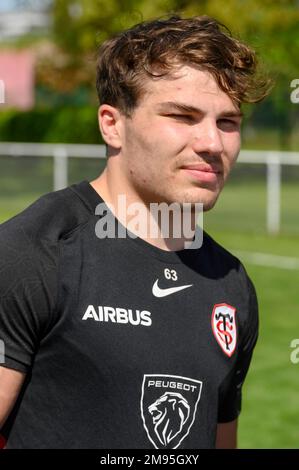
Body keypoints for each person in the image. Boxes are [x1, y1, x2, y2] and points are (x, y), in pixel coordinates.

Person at [0, 14, 270, 449]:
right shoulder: (31, 254)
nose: (213, 144)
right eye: (183, 116)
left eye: (228, 122)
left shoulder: (231, 285)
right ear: (112, 124)